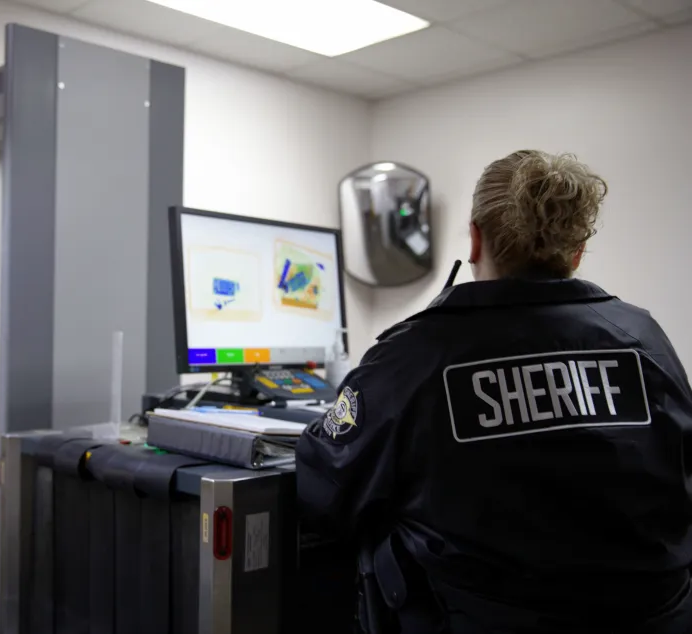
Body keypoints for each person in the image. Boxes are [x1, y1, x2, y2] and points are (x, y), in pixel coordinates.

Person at [296, 150, 692, 633]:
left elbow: (327, 490)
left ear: (476, 238)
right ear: (576, 251)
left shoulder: (416, 352)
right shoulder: (644, 339)